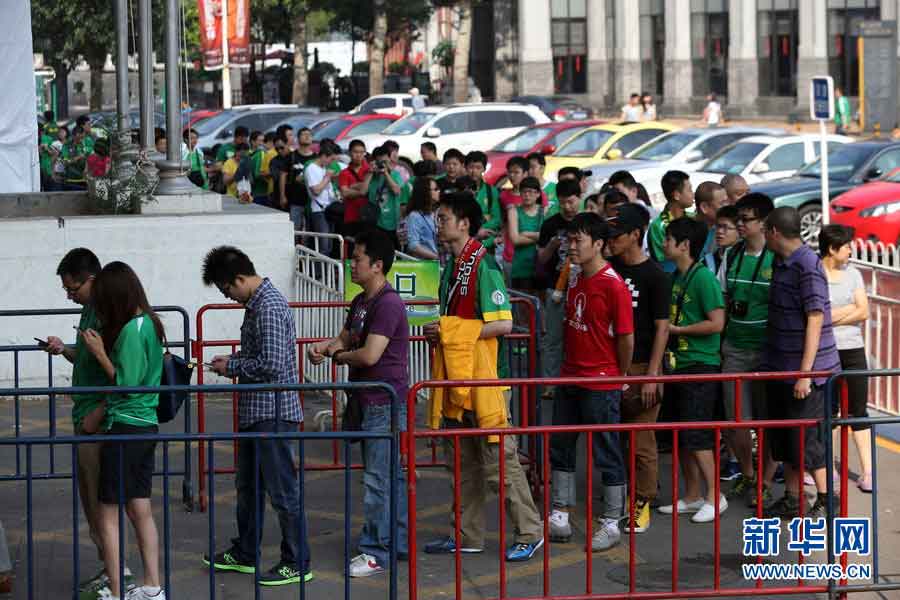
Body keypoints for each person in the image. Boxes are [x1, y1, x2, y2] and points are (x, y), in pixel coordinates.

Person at [423, 192, 544, 562]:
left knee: (499, 464)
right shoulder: (453, 266)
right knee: (463, 464)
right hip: (458, 379)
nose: (438, 224)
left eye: (443, 218)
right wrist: (444, 331)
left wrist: (451, 331)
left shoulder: (484, 264)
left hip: (488, 380)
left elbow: (504, 323)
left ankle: (529, 531)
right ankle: (467, 534)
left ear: (464, 223)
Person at [202, 246, 312, 585]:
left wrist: (231, 366)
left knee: (282, 491)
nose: (229, 297)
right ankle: (246, 552)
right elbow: (263, 355)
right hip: (257, 411)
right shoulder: (256, 305)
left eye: (227, 290)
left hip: (273, 413)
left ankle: (297, 561)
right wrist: (233, 362)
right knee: (248, 486)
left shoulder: (268, 306)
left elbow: (273, 365)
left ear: (239, 278)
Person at [307, 229, 410, 577]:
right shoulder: (361, 302)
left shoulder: (389, 303)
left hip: (384, 401)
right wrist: (325, 347)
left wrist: (337, 355)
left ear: (377, 265)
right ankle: (394, 541)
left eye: (357, 259)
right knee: (386, 476)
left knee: (379, 479)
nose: (351, 264)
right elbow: (347, 337)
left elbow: (369, 354)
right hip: (367, 399)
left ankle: (374, 550)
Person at [41, 249, 136, 595]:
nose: (69, 295)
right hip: (85, 418)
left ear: (92, 280)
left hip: (99, 420)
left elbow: (123, 376)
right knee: (92, 502)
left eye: (73, 288)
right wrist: (62, 349)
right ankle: (110, 568)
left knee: (103, 504)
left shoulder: (113, 316)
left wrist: (98, 415)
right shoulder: (88, 312)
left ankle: (119, 574)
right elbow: (87, 357)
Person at [80, 261, 166, 600]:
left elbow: (126, 385)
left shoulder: (132, 329)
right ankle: (152, 586)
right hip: (144, 426)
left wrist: (100, 354)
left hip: (127, 426)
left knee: (109, 513)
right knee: (139, 507)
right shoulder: (149, 323)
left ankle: (117, 591)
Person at [549, 213, 634, 550]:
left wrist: (619, 375)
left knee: (607, 449)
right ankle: (560, 513)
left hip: (601, 380)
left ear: (598, 244)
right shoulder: (572, 276)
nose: (571, 246)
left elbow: (626, 337)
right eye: (569, 240)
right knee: (561, 444)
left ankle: (612, 520)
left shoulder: (613, 285)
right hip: (570, 374)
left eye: (577, 240)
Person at [761, 207, 841, 520]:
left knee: (809, 439)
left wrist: (805, 375)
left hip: (809, 371)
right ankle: (793, 498)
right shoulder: (780, 261)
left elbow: (815, 318)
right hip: (781, 366)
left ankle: (825, 498)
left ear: (773, 232)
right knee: (787, 438)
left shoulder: (807, 265)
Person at [658, 217, 727, 524]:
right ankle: (692, 495)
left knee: (698, 435)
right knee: (682, 436)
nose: (663, 244)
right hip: (679, 365)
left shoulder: (703, 279)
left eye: (669, 239)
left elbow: (717, 322)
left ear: (684, 245)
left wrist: (676, 328)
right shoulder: (677, 276)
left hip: (700, 365)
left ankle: (715, 496)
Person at [607, 204, 670, 534]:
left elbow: (662, 328)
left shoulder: (656, 276)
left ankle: (642, 499)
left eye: (617, 235)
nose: (611, 241)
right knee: (613, 439)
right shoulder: (609, 269)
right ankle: (616, 498)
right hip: (611, 367)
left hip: (644, 366)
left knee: (641, 440)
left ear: (635, 235)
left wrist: (652, 375)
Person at [717, 193, 777, 507]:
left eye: (746, 219)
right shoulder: (733, 254)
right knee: (736, 420)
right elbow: (723, 300)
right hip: (736, 349)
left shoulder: (777, 257)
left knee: (767, 421)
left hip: (767, 354)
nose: (740, 224)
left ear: (765, 223)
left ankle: (765, 482)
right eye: (738, 219)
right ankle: (748, 474)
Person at [820, 224, 872, 493]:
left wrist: (831, 317)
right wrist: (845, 311)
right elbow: (817, 316)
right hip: (826, 350)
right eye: (847, 245)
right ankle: (826, 469)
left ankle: (867, 472)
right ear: (832, 248)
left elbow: (863, 312)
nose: (851, 249)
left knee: (858, 411)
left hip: (853, 350)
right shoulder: (816, 274)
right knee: (828, 413)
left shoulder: (853, 274)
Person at [537, 179, 582, 396]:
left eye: (571, 202)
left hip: (582, 288)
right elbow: (541, 258)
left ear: (579, 199)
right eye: (563, 202)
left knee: (580, 336)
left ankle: (577, 381)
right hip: (555, 288)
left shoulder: (586, 223)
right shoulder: (550, 224)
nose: (567, 207)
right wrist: (552, 245)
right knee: (553, 338)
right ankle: (551, 383)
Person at [649, 170, 694, 273]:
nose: (693, 193)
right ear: (677, 195)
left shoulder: (693, 218)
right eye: (690, 190)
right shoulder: (658, 226)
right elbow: (664, 262)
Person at [507, 176, 545, 295]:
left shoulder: (544, 211)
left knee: (541, 307)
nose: (527, 195)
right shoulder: (513, 211)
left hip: (541, 267)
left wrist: (527, 234)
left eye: (531, 192)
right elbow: (515, 239)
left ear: (538, 194)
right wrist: (539, 237)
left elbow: (548, 237)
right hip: (520, 267)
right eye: (524, 192)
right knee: (522, 306)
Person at [368, 145, 409, 248]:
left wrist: (386, 173)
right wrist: (370, 173)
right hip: (376, 221)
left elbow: (396, 190)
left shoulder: (395, 174)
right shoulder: (371, 176)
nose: (383, 165)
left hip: (393, 222)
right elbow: (362, 191)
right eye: (380, 162)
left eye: (385, 162)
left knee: (394, 252)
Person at [305, 141, 341, 255]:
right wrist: (327, 177)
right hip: (318, 210)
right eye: (331, 159)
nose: (332, 163)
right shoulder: (311, 168)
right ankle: (319, 272)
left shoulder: (324, 168)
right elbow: (316, 190)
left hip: (329, 209)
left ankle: (325, 271)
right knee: (323, 246)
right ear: (324, 156)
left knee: (329, 245)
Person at [465, 151, 502, 250]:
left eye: (478, 167)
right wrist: (475, 232)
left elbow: (497, 218)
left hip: (486, 241)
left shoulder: (491, 191)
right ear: (465, 168)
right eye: (471, 167)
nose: (474, 171)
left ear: (484, 169)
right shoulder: (459, 190)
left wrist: (481, 230)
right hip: (463, 240)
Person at [339, 139, 372, 240]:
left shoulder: (369, 170)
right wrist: (362, 190)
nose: (359, 155)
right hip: (351, 217)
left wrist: (352, 187)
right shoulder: (344, 173)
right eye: (355, 152)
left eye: (362, 152)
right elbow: (344, 193)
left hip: (368, 216)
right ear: (350, 153)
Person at [404, 176, 440, 259]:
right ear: (425, 193)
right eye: (435, 189)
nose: (439, 191)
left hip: (437, 264)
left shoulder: (435, 212)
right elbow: (413, 246)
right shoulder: (415, 216)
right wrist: (436, 257)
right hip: (424, 266)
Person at [694, 181, 727, 271]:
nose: (727, 207)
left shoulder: (725, 229)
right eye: (722, 203)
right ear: (704, 207)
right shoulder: (686, 232)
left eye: (727, 202)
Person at [713, 205, 739, 272]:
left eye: (725, 227)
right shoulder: (707, 261)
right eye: (718, 226)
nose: (719, 231)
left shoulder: (744, 260)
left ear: (739, 230)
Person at [63, 125, 89, 190]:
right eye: (79, 137)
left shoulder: (87, 143)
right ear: (74, 136)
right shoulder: (67, 145)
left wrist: (86, 168)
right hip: (71, 180)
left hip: (85, 180)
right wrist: (78, 157)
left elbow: (90, 159)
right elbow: (65, 162)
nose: (81, 139)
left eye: (82, 137)